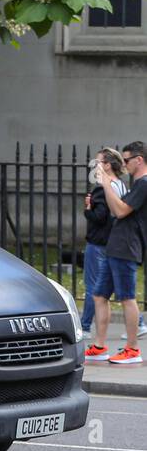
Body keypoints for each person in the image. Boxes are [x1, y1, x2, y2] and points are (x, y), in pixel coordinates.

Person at [90, 141, 147, 364]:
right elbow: (116, 210)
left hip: (126, 246)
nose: (124, 164)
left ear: (139, 159)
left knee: (127, 298)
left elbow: (121, 211)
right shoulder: (137, 184)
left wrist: (105, 182)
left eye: (126, 160)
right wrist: (106, 185)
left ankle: (132, 350)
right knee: (99, 295)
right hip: (116, 245)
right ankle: (99, 346)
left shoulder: (143, 184)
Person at [82, 148, 126, 345]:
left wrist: (88, 209)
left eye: (98, 162)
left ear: (107, 165)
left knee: (95, 287)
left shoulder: (102, 187)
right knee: (113, 287)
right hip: (113, 242)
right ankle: (140, 322)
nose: (95, 165)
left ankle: (84, 327)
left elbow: (100, 217)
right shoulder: (121, 186)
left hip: (98, 243)